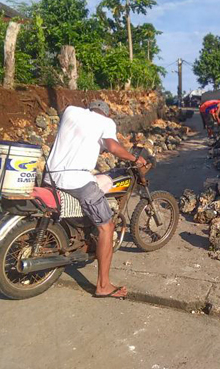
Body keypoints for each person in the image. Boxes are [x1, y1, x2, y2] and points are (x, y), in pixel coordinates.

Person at [45, 100, 147, 298]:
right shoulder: (105, 123)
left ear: (90, 109)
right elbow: (112, 146)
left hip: (50, 176)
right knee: (106, 226)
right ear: (106, 114)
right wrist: (135, 159)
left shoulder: (70, 112)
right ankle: (103, 285)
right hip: (75, 180)